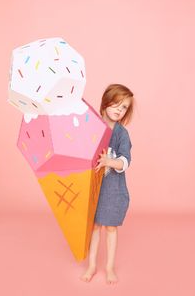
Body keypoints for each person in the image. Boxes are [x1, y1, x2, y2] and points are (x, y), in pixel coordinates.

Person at [80, 83, 134, 285]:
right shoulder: (93, 127)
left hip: (113, 191)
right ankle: (92, 265)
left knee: (110, 228)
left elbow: (125, 161)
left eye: (124, 107)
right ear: (105, 102)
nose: (119, 110)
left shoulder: (121, 134)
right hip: (94, 188)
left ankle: (109, 267)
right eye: (116, 104)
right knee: (95, 227)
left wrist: (109, 162)